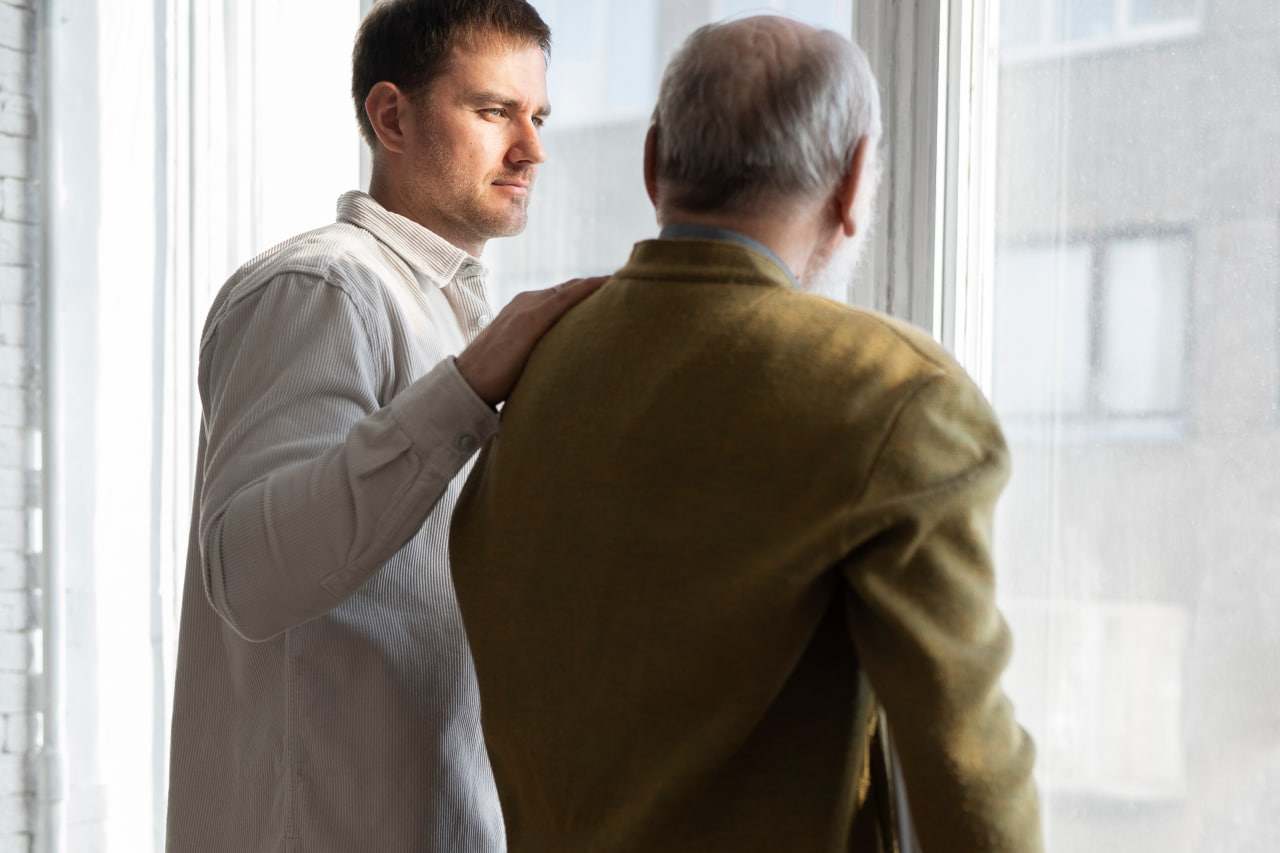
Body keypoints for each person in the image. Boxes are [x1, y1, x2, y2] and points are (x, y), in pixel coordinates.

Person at [449, 15, 1043, 853]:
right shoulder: (894, 393)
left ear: (653, 163)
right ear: (853, 181)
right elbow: (968, 780)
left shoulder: (535, 363)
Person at [164, 1, 604, 850]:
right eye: (495, 111)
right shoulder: (321, 289)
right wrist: (468, 387)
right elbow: (248, 574)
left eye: (539, 117)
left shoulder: (454, 318)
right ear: (392, 117)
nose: (532, 149)